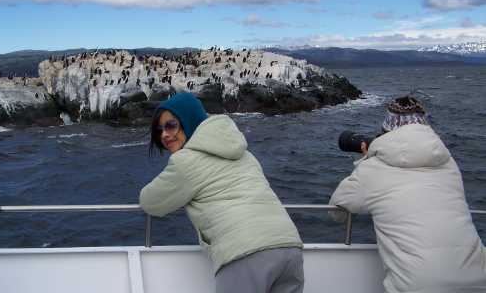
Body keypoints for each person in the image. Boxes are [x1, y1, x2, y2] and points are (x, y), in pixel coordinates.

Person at [140, 92, 304, 293]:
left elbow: (150, 202)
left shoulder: (186, 161)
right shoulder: (245, 154)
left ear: (189, 121)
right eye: (159, 129)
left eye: (171, 125)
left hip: (245, 253)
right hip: (289, 247)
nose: (164, 134)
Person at [329, 96, 486, 293]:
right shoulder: (448, 162)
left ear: (386, 130)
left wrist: (366, 160)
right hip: (477, 278)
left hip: (418, 286)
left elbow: (336, 211)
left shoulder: (373, 168)